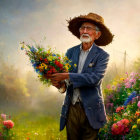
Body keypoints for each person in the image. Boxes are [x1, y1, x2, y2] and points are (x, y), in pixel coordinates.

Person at [49, 13, 114, 140]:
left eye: (89, 28)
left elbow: (94, 79)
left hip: (92, 109)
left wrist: (67, 75)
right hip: (71, 108)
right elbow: (66, 83)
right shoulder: (70, 52)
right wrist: (60, 84)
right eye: (82, 28)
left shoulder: (102, 56)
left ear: (97, 34)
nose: (84, 31)